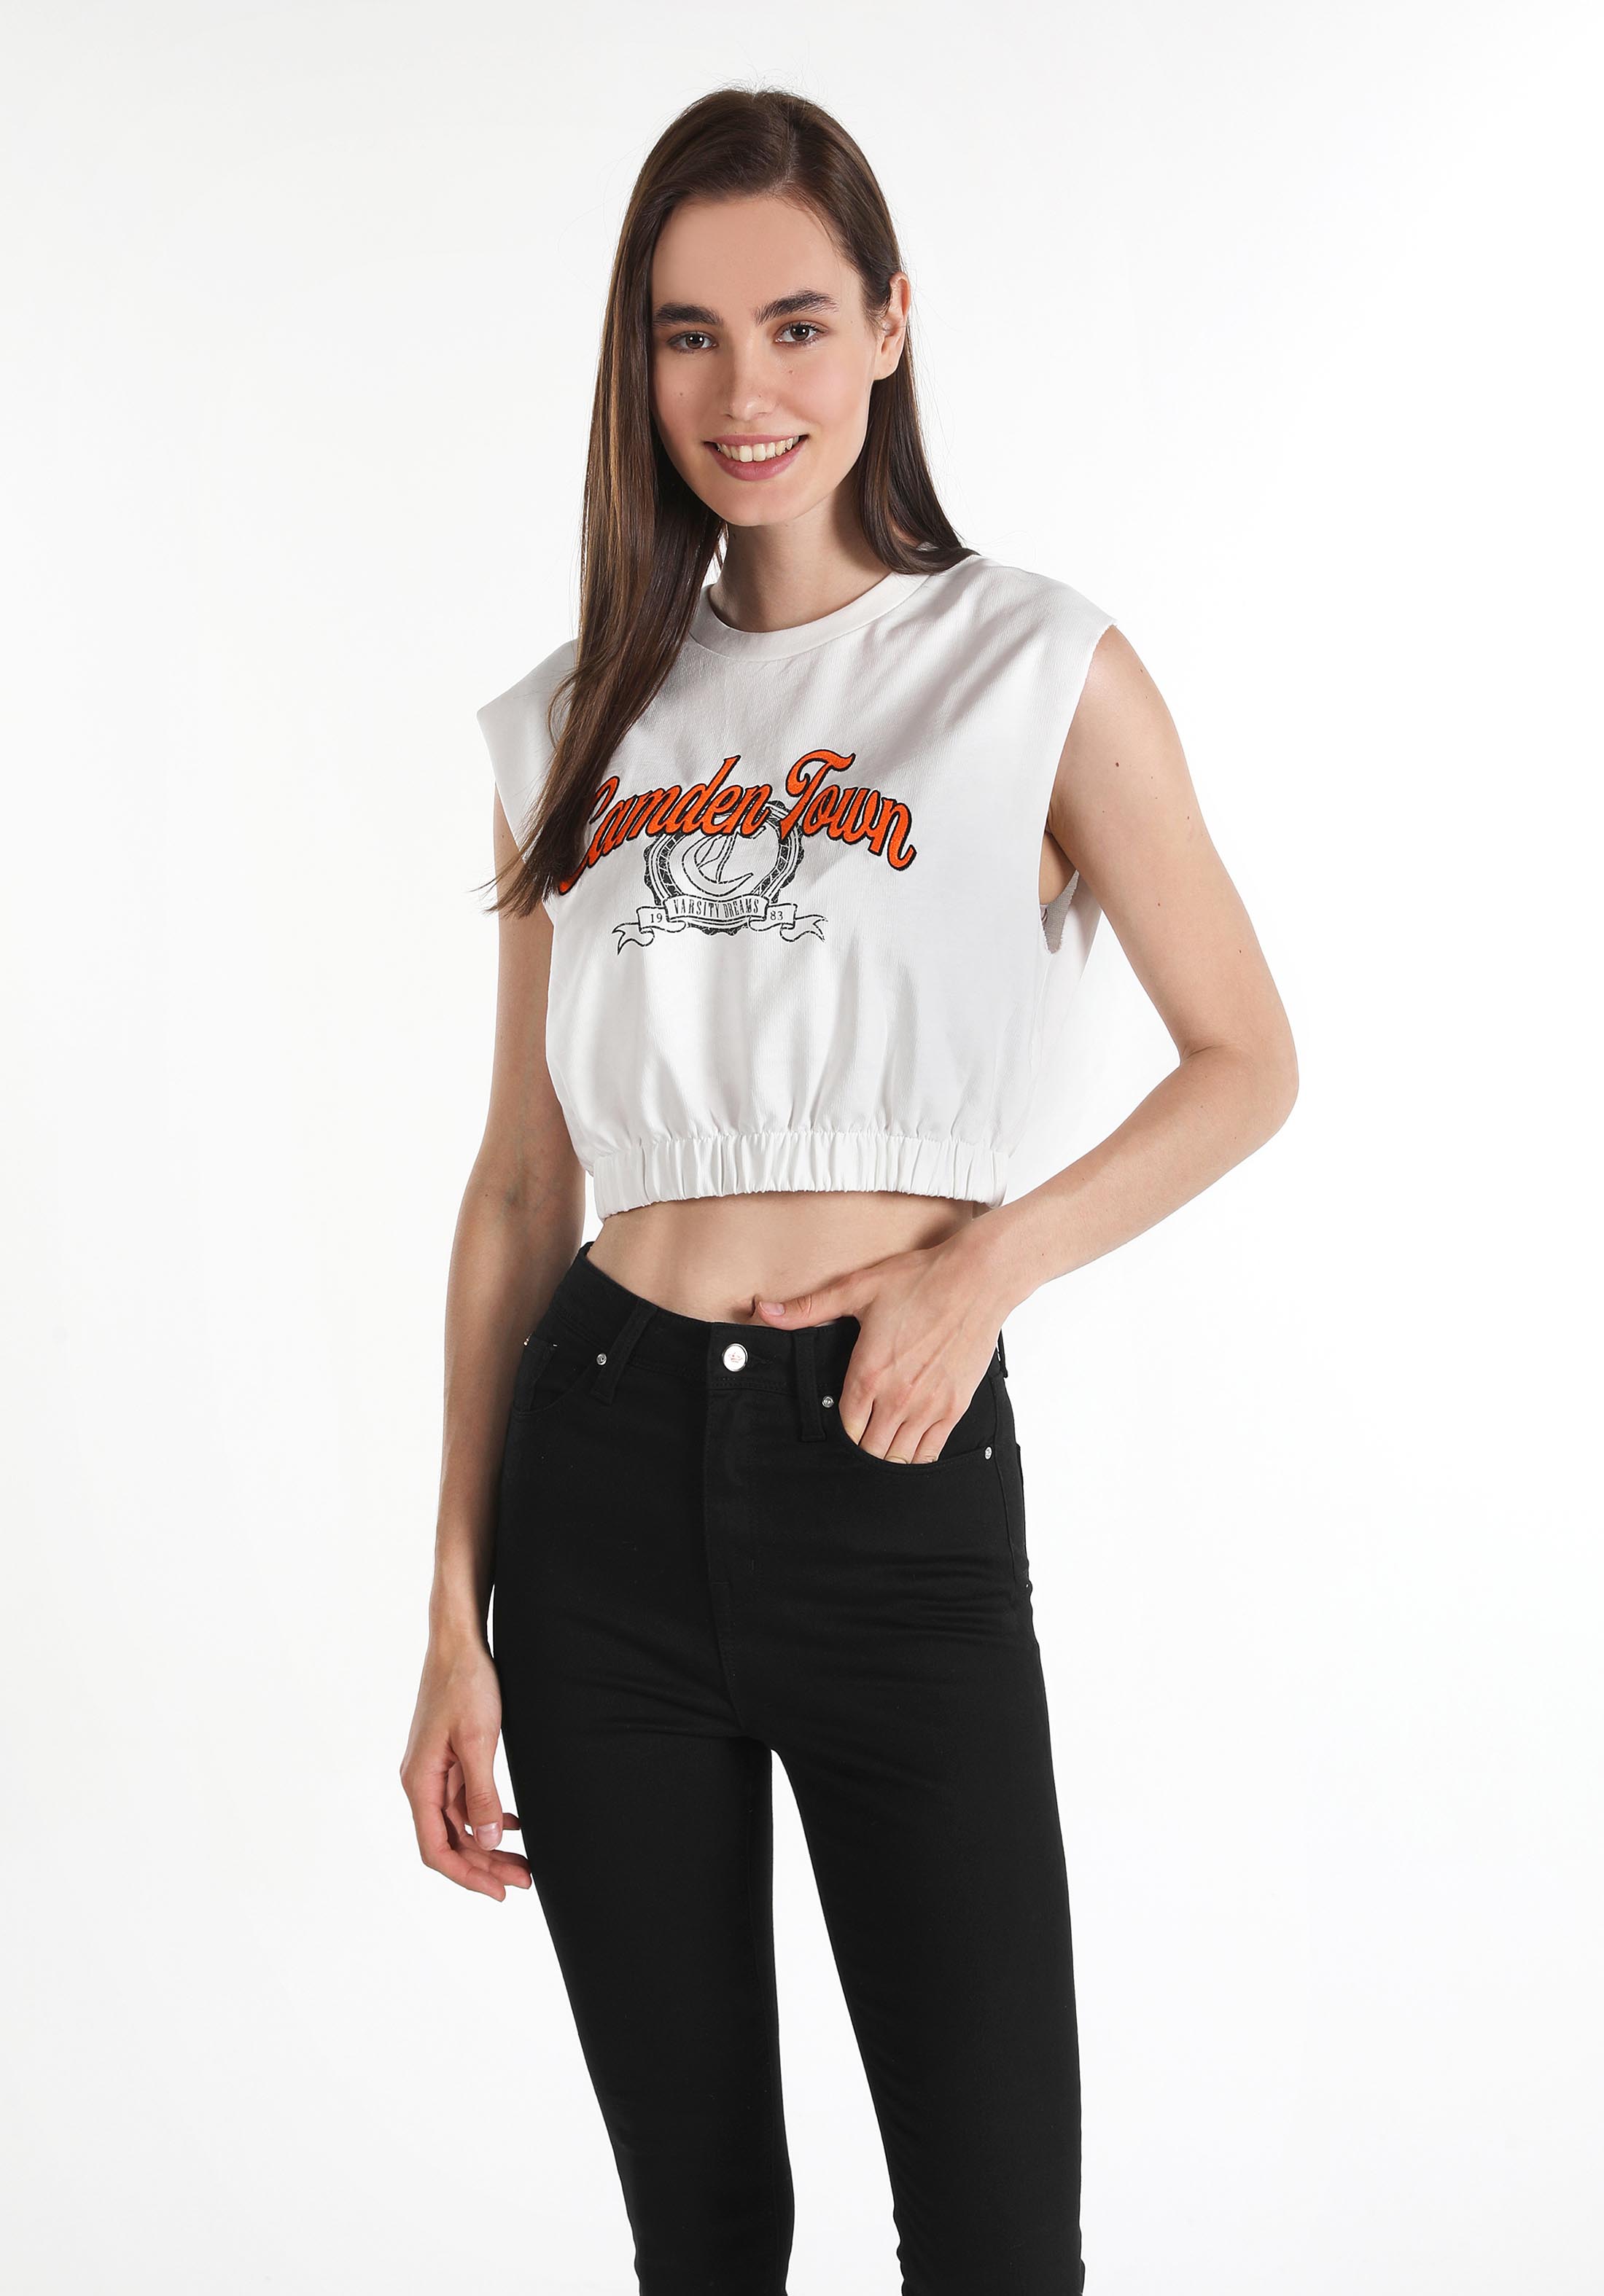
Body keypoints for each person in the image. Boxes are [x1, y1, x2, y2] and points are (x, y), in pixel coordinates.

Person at [400, 84, 1296, 2296]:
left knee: (996, 2239)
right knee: (701, 2240)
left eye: (797, 324)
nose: (746, 391)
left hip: (889, 1473)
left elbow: (1247, 1061)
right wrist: (451, 1608)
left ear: (891, 325)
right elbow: (520, 1183)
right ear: (637, 362)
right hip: (597, 1489)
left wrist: (985, 1272)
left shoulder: (1033, 667)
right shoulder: (571, 721)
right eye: (688, 335)